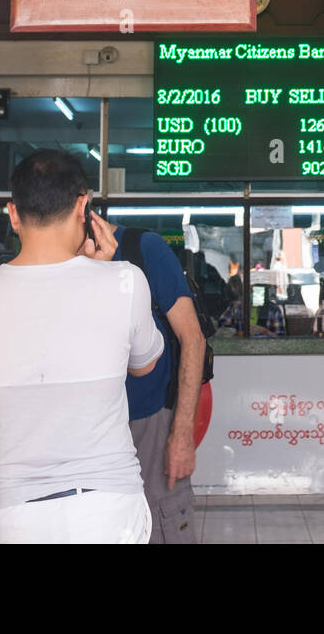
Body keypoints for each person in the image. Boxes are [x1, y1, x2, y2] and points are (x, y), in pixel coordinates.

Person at [0, 150, 163, 544]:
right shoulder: (125, 282)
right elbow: (144, 365)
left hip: (22, 514)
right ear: (84, 206)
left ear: (13, 215)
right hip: (109, 509)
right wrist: (102, 268)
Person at [113, 223, 207, 544]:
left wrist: (181, 436)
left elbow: (193, 338)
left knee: (162, 523)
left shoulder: (141, 249)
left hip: (149, 423)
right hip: (91, 431)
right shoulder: (57, 261)